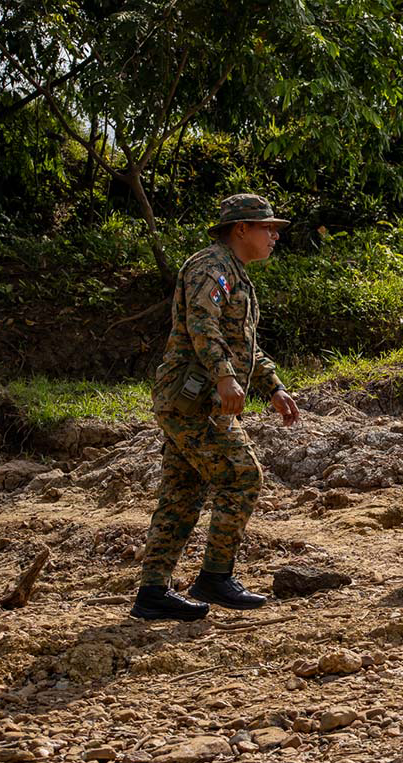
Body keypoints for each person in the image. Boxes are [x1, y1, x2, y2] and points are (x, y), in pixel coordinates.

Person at [130, 194, 300, 621]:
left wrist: (273, 387)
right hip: (195, 401)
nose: (274, 235)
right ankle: (214, 577)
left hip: (189, 400)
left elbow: (245, 345)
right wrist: (224, 376)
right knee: (243, 476)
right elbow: (202, 324)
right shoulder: (212, 267)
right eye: (267, 227)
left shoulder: (235, 274)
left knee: (181, 495)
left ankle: (153, 592)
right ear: (241, 229)